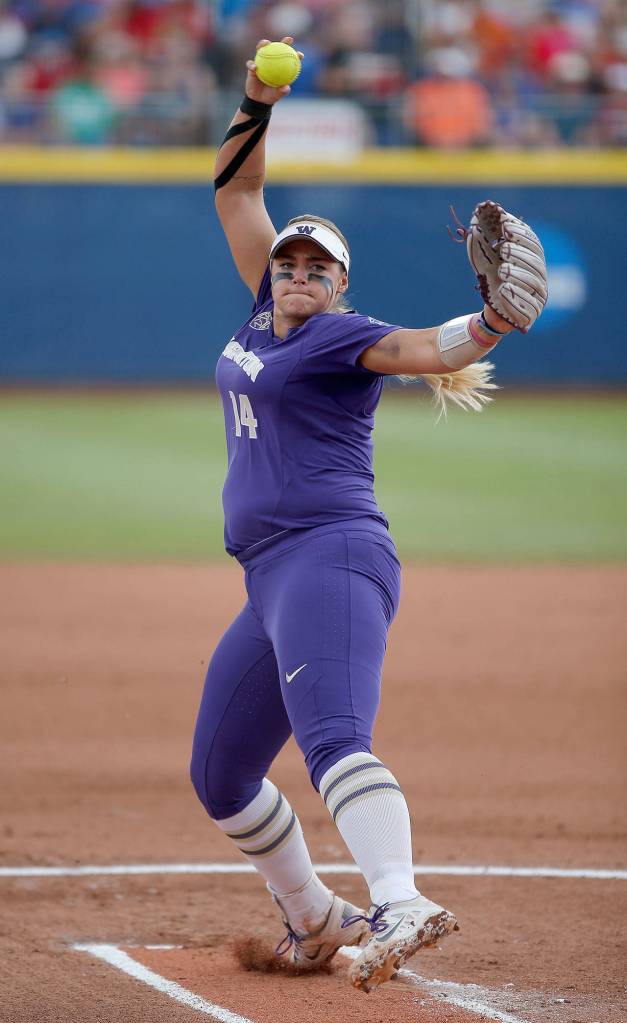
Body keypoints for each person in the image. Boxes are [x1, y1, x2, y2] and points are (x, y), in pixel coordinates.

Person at [190, 36, 541, 994]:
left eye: (318, 265)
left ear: (340, 284)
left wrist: (492, 324)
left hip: (331, 556)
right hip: (266, 575)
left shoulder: (344, 337)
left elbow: (429, 348)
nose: (299, 270)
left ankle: (401, 896)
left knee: (333, 737)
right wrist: (257, 93)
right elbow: (233, 190)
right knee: (220, 776)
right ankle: (314, 917)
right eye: (292, 260)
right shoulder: (263, 310)